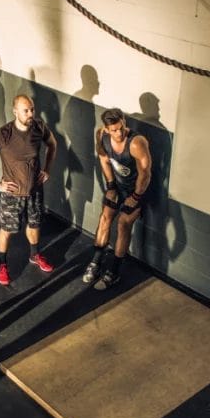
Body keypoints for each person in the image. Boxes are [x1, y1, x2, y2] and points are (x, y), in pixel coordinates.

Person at [0, 94, 57, 286]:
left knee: (34, 224)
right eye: (26, 110)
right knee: (7, 229)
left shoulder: (39, 127)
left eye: (32, 109)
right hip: (12, 194)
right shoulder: (3, 135)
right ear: (15, 112)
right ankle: (1, 263)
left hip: (34, 191)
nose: (30, 114)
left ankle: (35, 255)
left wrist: (47, 169)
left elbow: (53, 145)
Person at [82, 108, 152, 290]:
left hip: (137, 189)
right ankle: (96, 262)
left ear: (124, 121)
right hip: (118, 187)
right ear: (106, 129)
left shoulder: (136, 143)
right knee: (105, 217)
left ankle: (114, 271)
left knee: (123, 224)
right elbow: (104, 160)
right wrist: (111, 186)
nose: (119, 133)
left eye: (121, 127)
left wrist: (135, 197)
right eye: (114, 130)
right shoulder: (102, 136)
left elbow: (145, 174)